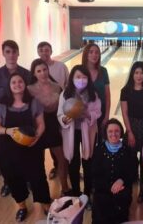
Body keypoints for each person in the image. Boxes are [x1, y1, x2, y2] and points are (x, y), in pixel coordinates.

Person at [0, 73, 50, 222]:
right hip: (7, 149)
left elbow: (41, 123)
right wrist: (7, 131)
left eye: (20, 82)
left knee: (38, 177)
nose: (17, 84)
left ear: (25, 84)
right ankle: (22, 206)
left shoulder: (34, 102)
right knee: (13, 178)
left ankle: (45, 203)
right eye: (14, 82)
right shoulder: (2, 105)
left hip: (31, 146)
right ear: (9, 86)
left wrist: (36, 136)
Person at [0, 40, 31, 197]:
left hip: (24, 121)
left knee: (25, 154)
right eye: (8, 51)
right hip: (5, 124)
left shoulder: (27, 74)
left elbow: (32, 97)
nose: (11, 55)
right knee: (6, 159)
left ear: (19, 53)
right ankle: (8, 183)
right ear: (3, 53)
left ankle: (26, 180)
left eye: (14, 51)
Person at [57, 65, 101, 207]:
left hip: (87, 131)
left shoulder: (93, 94)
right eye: (78, 77)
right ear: (72, 78)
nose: (81, 80)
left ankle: (87, 194)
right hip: (71, 132)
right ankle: (76, 193)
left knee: (88, 162)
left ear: (88, 79)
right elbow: (60, 114)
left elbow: (98, 112)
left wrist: (88, 114)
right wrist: (64, 119)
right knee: (73, 163)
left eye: (84, 77)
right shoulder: (65, 94)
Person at [28, 59, 70, 195]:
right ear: (34, 73)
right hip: (37, 127)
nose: (43, 73)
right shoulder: (29, 90)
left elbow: (64, 107)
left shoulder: (57, 87)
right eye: (39, 71)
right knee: (37, 163)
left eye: (44, 69)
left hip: (53, 126)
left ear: (48, 70)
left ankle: (65, 188)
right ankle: (42, 193)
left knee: (62, 159)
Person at [120, 61, 143, 202]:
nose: (139, 76)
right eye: (136, 72)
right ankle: (128, 189)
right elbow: (124, 113)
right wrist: (129, 132)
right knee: (129, 160)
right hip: (132, 126)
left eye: (141, 72)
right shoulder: (125, 91)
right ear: (132, 74)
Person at [91, 118, 134, 224]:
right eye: (110, 131)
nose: (113, 134)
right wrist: (108, 186)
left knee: (120, 211)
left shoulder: (128, 150)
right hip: (103, 188)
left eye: (117, 131)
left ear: (121, 133)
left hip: (121, 188)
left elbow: (132, 172)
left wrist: (122, 180)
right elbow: (94, 173)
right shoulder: (99, 150)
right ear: (106, 133)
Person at [37, 41, 69, 179]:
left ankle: (68, 169)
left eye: (47, 49)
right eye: (41, 50)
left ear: (51, 51)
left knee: (63, 143)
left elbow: (68, 85)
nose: (44, 52)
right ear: (38, 52)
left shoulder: (61, 66)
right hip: (45, 115)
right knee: (52, 146)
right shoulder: (37, 69)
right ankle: (57, 168)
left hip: (60, 110)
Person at [81, 43, 111, 141]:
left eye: (97, 52)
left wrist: (106, 116)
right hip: (83, 113)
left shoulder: (103, 71)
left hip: (100, 112)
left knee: (100, 142)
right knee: (87, 142)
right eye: (91, 52)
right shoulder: (79, 71)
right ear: (86, 54)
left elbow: (107, 96)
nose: (94, 55)